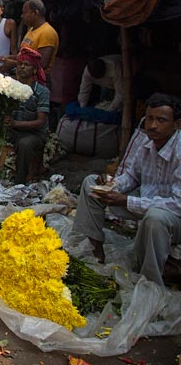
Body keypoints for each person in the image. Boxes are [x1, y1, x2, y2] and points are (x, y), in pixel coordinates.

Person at [72, 93, 181, 285]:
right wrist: (111, 184)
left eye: (161, 120)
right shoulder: (147, 145)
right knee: (91, 183)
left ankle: (150, 281)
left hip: (172, 217)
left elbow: (177, 204)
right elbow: (132, 176)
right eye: (150, 119)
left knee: (155, 216)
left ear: (177, 124)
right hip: (146, 205)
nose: (153, 125)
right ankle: (95, 249)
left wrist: (126, 200)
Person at [0, 47, 49, 185]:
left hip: (31, 133)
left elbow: (40, 121)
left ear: (35, 70)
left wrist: (16, 124)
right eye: (20, 64)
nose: (22, 67)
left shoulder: (41, 92)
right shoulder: (9, 85)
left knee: (25, 144)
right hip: (10, 130)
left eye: (27, 65)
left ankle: (20, 181)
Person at [0, 0, 58, 77]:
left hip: (37, 81)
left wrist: (13, 63)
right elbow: (26, 56)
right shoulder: (32, 29)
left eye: (24, 12)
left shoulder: (47, 32)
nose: (22, 16)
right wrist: (11, 57)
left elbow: (42, 64)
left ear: (35, 13)